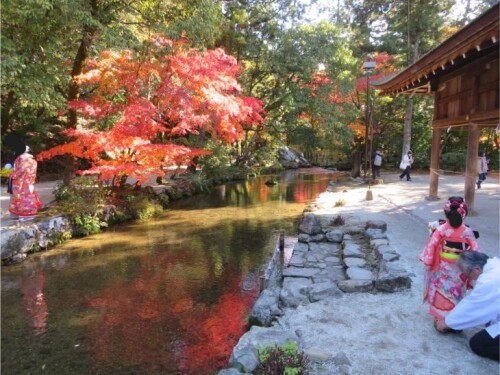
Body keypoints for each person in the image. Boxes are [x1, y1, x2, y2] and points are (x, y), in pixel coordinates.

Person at [419, 197, 479, 328]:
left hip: (442, 267)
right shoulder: (467, 231)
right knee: (457, 292)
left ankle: (441, 319)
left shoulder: (441, 229)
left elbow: (432, 246)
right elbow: (475, 250)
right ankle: (452, 319)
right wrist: (473, 268)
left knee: (442, 291)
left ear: (446, 214)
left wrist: (428, 262)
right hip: (460, 268)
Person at [435, 251, 499, 361]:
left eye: (466, 275)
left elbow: (473, 306)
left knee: (478, 344)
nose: (469, 279)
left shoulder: (489, 280)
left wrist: (447, 322)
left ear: (476, 269)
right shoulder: (494, 267)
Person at [8, 146, 42, 220]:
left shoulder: (21, 159)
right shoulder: (32, 160)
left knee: (21, 197)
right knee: (29, 195)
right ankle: (31, 213)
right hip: (29, 181)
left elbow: (21, 169)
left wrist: (11, 175)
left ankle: (24, 214)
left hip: (21, 181)